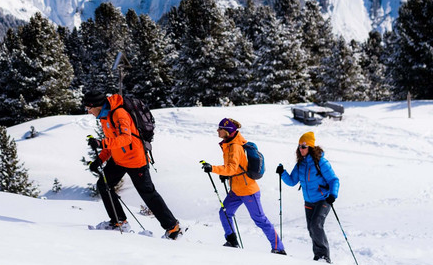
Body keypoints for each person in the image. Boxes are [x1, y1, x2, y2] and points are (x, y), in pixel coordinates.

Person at [83, 89, 182, 239]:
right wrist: (100, 159)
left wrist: (100, 143)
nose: (88, 111)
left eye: (89, 108)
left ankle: (173, 227)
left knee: (148, 194)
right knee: (104, 186)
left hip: (135, 160)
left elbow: (125, 139)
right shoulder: (104, 117)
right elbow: (113, 142)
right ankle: (119, 222)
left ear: (96, 105)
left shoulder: (119, 113)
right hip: (119, 159)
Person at [201, 118, 286, 254]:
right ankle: (232, 240)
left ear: (227, 131)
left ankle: (279, 248)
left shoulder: (235, 146)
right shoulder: (228, 144)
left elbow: (232, 168)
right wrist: (225, 175)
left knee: (260, 220)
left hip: (248, 190)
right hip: (236, 189)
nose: (217, 130)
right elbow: (236, 168)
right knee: (225, 212)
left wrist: (213, 168)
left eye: (220, 128)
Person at [276, 131, 340, 263]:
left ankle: (324, 256)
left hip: (323, 199)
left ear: (310, 147)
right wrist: (282, 173)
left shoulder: (320, 162)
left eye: (303, 146)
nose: (301, 149)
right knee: (311, 228)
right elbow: (292, 181)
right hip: (308, 201)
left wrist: (333, 195)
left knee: (316, 225)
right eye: (299, 146)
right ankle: (318, 256)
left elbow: (334, 180)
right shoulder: (301, 164)